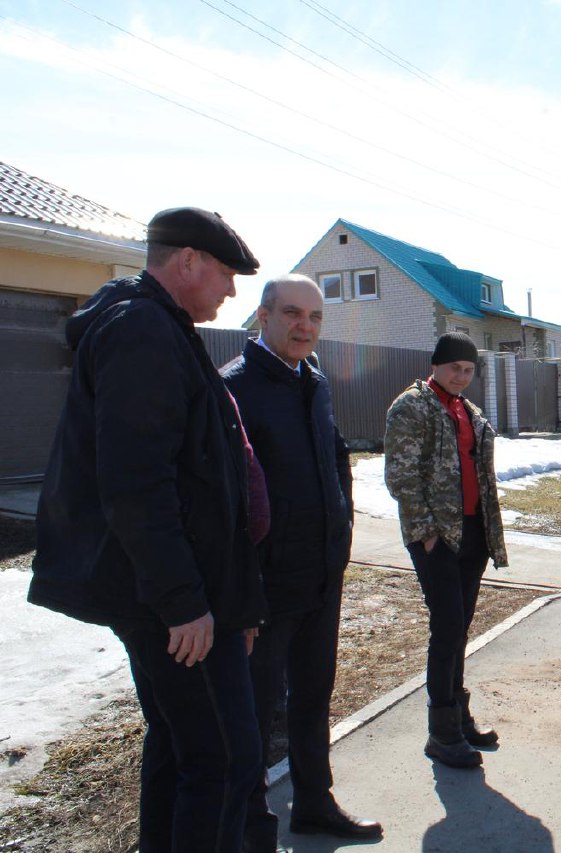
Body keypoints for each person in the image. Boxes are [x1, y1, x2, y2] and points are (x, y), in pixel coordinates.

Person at [29, 207, 267, 852]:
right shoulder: (143, 331)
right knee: (222, 760)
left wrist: (231, 601)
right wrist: (183, 603)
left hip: (184, 591)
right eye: (225, 273)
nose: (231, 291)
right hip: (169, 600)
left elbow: (204, 482)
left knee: (181, 748)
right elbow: (137, 483)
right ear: (187, 261)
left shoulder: (160, 326)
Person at [221, 275, 382, 849]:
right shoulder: (235, 389)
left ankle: (314, 804)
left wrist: (340, 536)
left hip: (319, 575)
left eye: (315, 317)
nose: (305, 327)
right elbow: (227, 500)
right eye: (292, 313)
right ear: (262, 316)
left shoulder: (313, 382)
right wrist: (243, 590)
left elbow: (335, 460)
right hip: (267, 588)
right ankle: (245, 828)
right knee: (254, 714)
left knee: (314, 698)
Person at [384, 332, 508, 769]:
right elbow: (401, 474)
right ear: (435, 365)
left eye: (469, 370)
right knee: (448, 625)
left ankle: (459, 716)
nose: (461, 376)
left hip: (472, 532)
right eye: (454, 367)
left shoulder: (467, 410)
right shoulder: (412, 406)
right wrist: (425, 531)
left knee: (462, 625)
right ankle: (441, 732)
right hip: (437, 537)